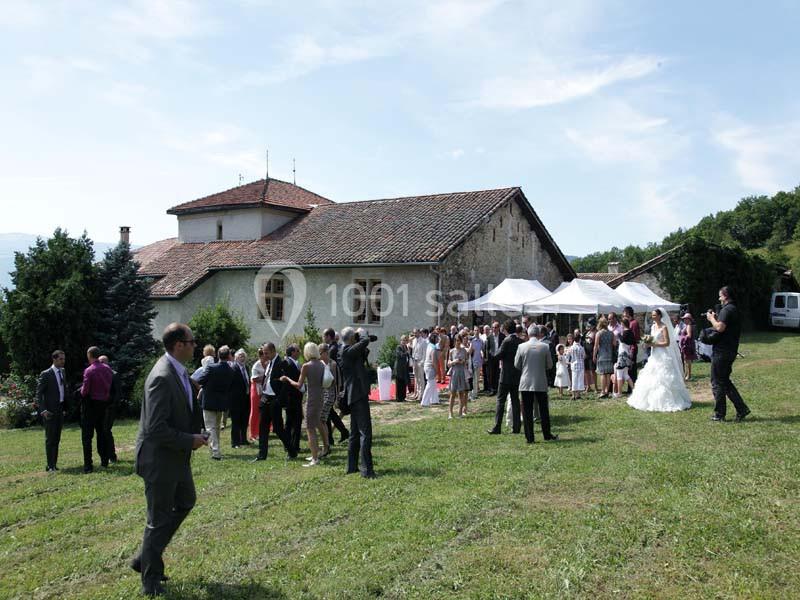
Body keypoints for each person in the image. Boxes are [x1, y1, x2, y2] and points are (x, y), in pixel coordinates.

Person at [130, 323, 207, 597]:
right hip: (159, 460)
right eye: (191, 341)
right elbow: (155, 428)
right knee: (158, 519)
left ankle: (145, 558)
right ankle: (149, 581)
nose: (195, 345)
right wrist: (189, 440)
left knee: (186, 500)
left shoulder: (178, 371)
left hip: (175, 457)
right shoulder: (162, 376)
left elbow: (180, 410)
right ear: (178, 345)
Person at [627, 308, 692, 412]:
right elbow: (652, 338)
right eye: (652, 315)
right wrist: (647, 342)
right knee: (651, 374)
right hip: (654, 354)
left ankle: (668, 400)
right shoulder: (653, 326)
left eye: (654, 315)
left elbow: (667, 343)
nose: (652, 317)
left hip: (662, 354)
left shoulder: (664, 327)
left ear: (659, 316)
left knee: (663, 376)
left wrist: (654, 344)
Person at [281, 342, 330, 467]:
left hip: (312, 398)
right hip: (321, 397)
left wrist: (287, 378)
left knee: (310, 428)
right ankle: (324, 448)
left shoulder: (306, 366)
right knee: (318, 423)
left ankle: (315, 458)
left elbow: (298, 385)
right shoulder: (322, 364)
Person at [706, 286, 750, 422]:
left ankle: (719, 414)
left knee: (717, 382)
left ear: (725, 296)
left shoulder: (727, 309)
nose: (719, 298)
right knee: (724, 381)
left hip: (722, 351)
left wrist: (711, 318)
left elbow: (720, 327)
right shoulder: (734, 309)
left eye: (720, 296)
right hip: (730, 350)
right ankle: (742, 409)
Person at [340, 327, 376, 478]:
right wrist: (362, 335)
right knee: (365, 432)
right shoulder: (346, 351)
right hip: (357, 395)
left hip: (354, 395)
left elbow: (370, 340)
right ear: (351, 338)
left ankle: (352, 466)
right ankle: (367, 470)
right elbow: (366, 341)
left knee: (355, 433)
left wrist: (363, 335)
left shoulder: (350, 350)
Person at [514, 325, 557, 443]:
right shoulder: (545, 346)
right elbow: (550, 365)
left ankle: (530, 437)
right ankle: (547, 434)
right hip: (540, 381)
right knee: (543, 410)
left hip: (526, 382)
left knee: (527, 411)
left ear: (528, 334)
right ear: (538, 334)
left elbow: (517, 364)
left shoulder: (521, 346)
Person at [251, 343, 293, 461]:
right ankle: (262, 455)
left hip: (275, 399)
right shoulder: (269, 363)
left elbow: (286, 384)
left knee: (279, 429)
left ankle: (291, 450)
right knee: (263, 427)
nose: (264, 355)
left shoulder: (282, 363)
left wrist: (279, 400)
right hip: (266, 397)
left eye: (266, 353)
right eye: (263, 353)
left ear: (273, 351)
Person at [195, 346, 234, 460]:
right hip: (221, 402)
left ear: (218, 355)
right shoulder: (231, 371)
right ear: (228, 356)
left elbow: (201, 380)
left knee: (210, 427)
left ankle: (216, 451)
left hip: (209, 401)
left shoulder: (211, 368)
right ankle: (215, 448)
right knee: (216, 427)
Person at [80, 346, 114, 472]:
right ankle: (104, 460)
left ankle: (88, 465)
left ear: (90, 355)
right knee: (102, 433)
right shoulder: (107, 369)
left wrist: (81, 391)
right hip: (103, 404)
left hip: (91, 405)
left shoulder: (89, 370)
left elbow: (85, 391)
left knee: (87, 436)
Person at [488, 320, 522, 435]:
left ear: (506, 329)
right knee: (515, 401)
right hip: (516, 375)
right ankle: (516, 427)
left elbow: (498, 355)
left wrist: (491, 353)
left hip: (506, 375)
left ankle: (497, 427)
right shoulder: (520, 341)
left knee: (500, 401)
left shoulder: (506, 341)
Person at [37, 350, 67, 472]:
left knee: (57, 438)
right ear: (54, 359)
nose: (63, 361)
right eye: (61, 359)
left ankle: (54, 464)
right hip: (49, 411)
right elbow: (39, 393)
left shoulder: (63, 372)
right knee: (50, 438)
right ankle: (50, 466)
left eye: (64, 359)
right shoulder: (46, 374)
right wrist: (43, 410)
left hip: (60, 409)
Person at [322, 328, 350, 443]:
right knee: (330, 413)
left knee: (327, 413)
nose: (323, 338)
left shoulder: (332, 349)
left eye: (324, 336)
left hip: (332, 384)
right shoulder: (335, 347)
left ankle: (331, 438)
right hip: (334, 384)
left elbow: (332, 369)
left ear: (328, 336)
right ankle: (341, 433)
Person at [282, 344, 304, 458]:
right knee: (293, 422)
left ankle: (292, 444)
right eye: (297, 351)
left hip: (295, 396)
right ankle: (292, 445)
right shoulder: (287, 362)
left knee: (293, 422)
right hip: (291, 396)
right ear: (292, 352)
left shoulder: (294, 363)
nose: (299, 352)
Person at [98, 355, 120, 464]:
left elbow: (117, 393)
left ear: (107, 362)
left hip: (110, 408)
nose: (100, 364)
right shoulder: (99, 374)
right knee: (102, 431)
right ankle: (105, 455)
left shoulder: (114, 374)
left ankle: (112, 456)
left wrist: (111, 406)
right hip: (100, 408)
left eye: (102, 362)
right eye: (99, 362)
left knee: (106, 430)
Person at [228, 349, 251, 448]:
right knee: (236, 421)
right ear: (236, 357)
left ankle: (243, 439)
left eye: (243, 356)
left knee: (244, 420)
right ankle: (235, 442)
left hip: (246, 398)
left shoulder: (246, 367)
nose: (242, 357)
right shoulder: (233, 368)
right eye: (240, 356)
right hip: (235, 399)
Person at [447, 334, 469, 418]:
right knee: (452, 393)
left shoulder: (464, 351)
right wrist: (454, 361)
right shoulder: (452, 351)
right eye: (456, 341)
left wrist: (463, 361)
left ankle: (460, 412)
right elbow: (448, 364)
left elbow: (466, 361)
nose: (457, 342)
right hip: (454, 372)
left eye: (459, 341)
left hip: (462, 372)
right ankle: (450, 413)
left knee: (461, 393)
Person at [593, 317, 616, 398]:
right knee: (608, 374)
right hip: (609, 355)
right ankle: (607, 391)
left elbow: (595, 346)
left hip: (602, 355)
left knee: (602, 374)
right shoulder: (611, 333)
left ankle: (602, 391)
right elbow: (614, 344)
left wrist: (594, 356)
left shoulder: (598, 333)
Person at [612, 319, 635, 398]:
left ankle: (619, 393)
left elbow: (622, 340)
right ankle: (634, 390)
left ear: (623, 324)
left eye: (621, 324)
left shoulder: (625, 332)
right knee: (625, 374)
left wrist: (618, 334)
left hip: (622, 355)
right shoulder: (631, 332)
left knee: (619, 374)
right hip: (627, 354)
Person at [248, 347, 265, 442]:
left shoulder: (267, 363)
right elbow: (254, 379)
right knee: (254, 411)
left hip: (264, 389)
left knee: (262, 412)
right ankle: (252, 433)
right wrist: (264, 378)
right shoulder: (256, 365)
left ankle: (260, 431)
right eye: (264, 355)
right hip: (256, 389)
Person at [420, 332, 440, 406]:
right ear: (434, 339)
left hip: (427, 366)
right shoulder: (433, 348)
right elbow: (434, 361)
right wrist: (437, 370)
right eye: (437, 338)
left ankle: (434, 399)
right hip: (430, 367)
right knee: (430, 383)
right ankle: (424, 402)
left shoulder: (430, 346)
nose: (438, 339)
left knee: (433, 383)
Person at [622, 307, 641, 383]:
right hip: (627, 348)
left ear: (627, 313)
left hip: (632, 348)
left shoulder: (634, 323)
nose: (623, 314)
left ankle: (632, 386)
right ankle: (630, 386)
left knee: (632, 368)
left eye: (624, 312)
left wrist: (632, 350)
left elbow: (636, 337)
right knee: (628, 368)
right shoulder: (628, 322)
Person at [410, 328, 428, 401]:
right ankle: (417, 393)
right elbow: (413, 351)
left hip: (420, 361)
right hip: (415, 361)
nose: (415, 334)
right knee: (416, 378)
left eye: (416, 333)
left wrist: (422, 362)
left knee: (421, 379)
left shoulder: (424, 342)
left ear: (419, 333)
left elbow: (425, 353)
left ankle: (421, 394)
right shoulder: (414, 341)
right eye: (414, 333)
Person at [568, 332, 586, 400]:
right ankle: (578, 394)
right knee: (580, 380)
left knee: (574, 379)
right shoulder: (581, 348)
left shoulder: (571, 347)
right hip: (580, 365)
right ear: (580, 340)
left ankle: (573, 395)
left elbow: (568, 355)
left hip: (573, 365)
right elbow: (584, 356)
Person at [679, 313, 697, 381]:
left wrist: (682, 337)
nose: (684, 320)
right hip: (686, 345)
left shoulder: (689, 326)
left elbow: (689, 335)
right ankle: (686, 374)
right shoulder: (686, 325)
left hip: (687, 345)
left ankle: (688, 375)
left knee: (687, 361)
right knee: (685, 360)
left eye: (685, 319)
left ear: (688, 319)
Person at [583, 318, 598, 393]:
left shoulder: (596, 332)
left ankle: (595, 387)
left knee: (593, 371)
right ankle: (588, 386)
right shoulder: (587, 332)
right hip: (586, 354)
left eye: (590, 325)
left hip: (592, 354)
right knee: (586, 370)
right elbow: (583, 342)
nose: (589, 326)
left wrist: (594, 355)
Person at [394, 335, 411, 402]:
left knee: (404, 383)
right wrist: (406, 353)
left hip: (404, 367)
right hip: (399, 368)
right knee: (399, 383)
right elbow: (400, 355)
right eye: (403, 340)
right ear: (401, 340)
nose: (404, 341)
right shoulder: (399, 347)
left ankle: (403, 397)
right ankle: (398, 398)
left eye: (405, 340)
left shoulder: (406, 347)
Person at [469, 328, 484, 401]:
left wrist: (482, 354)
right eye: (475, 330)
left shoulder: (481, 341)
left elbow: (482, 350)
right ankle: (472, 393)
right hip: (472, 361)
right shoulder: (471, 341)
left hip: (478, 361)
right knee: (472, 378)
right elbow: (469, 351)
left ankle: (475, 392)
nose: (476, 332)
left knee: (477, 378)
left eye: (477, 330)